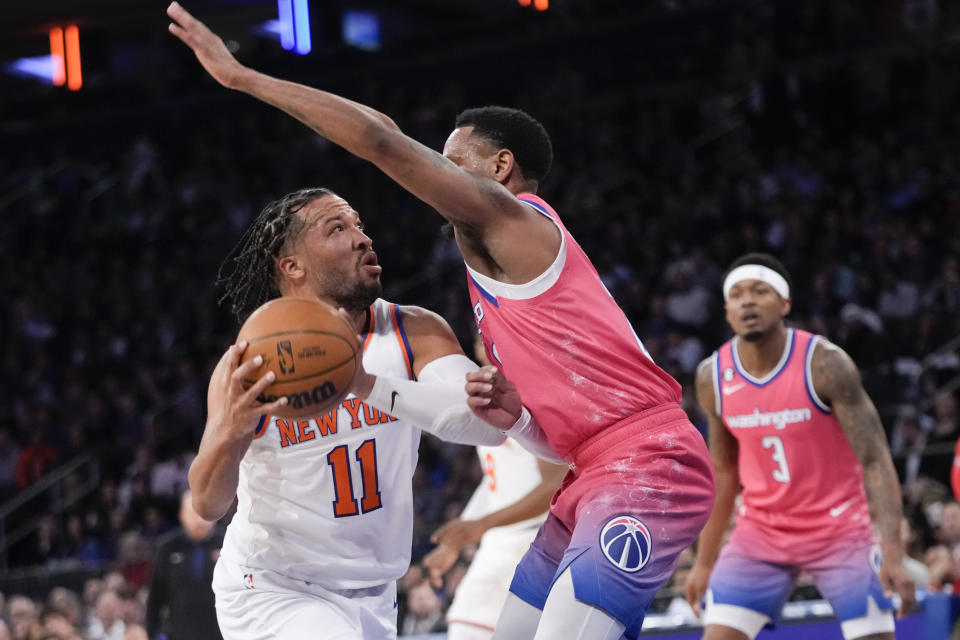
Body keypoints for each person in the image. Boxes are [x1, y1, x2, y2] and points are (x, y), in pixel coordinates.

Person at [167, 5, 715, 639]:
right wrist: (514, 414)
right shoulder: (268, 352)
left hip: (644, 462)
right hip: (287, 581)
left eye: (452, 162)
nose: (431, 175)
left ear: (499, 169)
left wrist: (244, 79)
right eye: (338, 228)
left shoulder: (507, 229)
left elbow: (381, 140)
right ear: (289, 266)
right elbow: (515, 426)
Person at [187, 185, 545, 640]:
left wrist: (366, 384)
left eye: (360, 225)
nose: (362, 238)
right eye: (338, 228)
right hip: (275, 588)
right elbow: (207, 503)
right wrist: (231, 434)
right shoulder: (253, 362)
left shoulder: (414, 330)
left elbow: (485, 426)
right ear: (292, 266)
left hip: (375, 593)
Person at [683, 253, 916, 640]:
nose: (748, 302)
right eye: (737, 295)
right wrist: (704, 562)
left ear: (785, 303)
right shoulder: (712, 377)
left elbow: (875, 459)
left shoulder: (825, 364)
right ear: (727, 312)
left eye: (760, 291)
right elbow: (723, 473)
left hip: (839, 529)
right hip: (760, 533)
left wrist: (892, 550)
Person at [424, 339, 567, 640]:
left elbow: (555, 486)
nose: (481, 331)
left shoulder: (535, 394)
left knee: (467, 629)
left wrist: (479, 527)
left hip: (533, 538)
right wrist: (463, 533)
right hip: (503, 540)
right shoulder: (486, 392)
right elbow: (496, 480)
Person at [145, 491, 224, 640]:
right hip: (180, 632)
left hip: (222, 633)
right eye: (194, 514)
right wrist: (153, 634)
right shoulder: (167, 548)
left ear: (215, 514)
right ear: (182, 515)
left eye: (205, 513)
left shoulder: (228, 543)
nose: (200, 520)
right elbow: (155, 598)